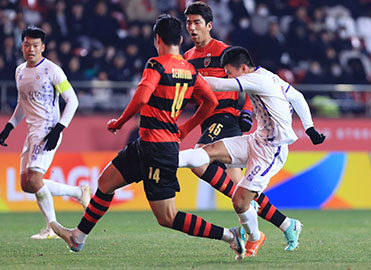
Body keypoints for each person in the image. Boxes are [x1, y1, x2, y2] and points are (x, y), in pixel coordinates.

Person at [50, 15, 247, 260]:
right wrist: (186, 127)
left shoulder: (157, 64)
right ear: (180, 38)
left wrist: (119, 122)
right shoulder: (190, 70)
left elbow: (142, 97)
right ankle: (78, 236)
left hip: (159, 150)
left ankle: (230, 235)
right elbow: (212, 101)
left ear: (157, 39)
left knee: (167, 217)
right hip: (147, 144)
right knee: (105, 183)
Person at [179, 46, 326, 258]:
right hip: (256, 139)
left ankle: (255, 236)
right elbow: (298, 97)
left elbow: (220, 84)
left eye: (230, 71)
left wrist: (187, 75)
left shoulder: (257, 79)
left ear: (244, 68)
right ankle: (170, 159)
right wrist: (309, 128)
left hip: (271, 151)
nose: (228, 75)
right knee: (209, 151)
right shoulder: (269, 76)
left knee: (239, 200)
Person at [183, 1, 302, 252]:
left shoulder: (224, 51)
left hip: (226, 115)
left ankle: (255, 230)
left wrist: (246, 112)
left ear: (209, 25)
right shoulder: (188, 58)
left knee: (199, 158)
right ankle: (283, 224)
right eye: (188, 23)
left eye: (196, 23)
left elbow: (246, 82)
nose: (191, 28)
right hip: (208, 118)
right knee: (241, 191)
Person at [0, 26, 91, 240]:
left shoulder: (52, 70)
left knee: (35, 178)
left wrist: (59, 128)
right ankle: (79, 193)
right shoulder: (19, 71)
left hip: (48, 129)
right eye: (27, 44)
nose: (31, 49)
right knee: (27, 184)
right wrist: (10, 125)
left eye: (36, 45)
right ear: (22, 46)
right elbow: (23, 102)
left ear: (43, 47)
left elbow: (72, 101)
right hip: (32, 131)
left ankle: (52, 228)